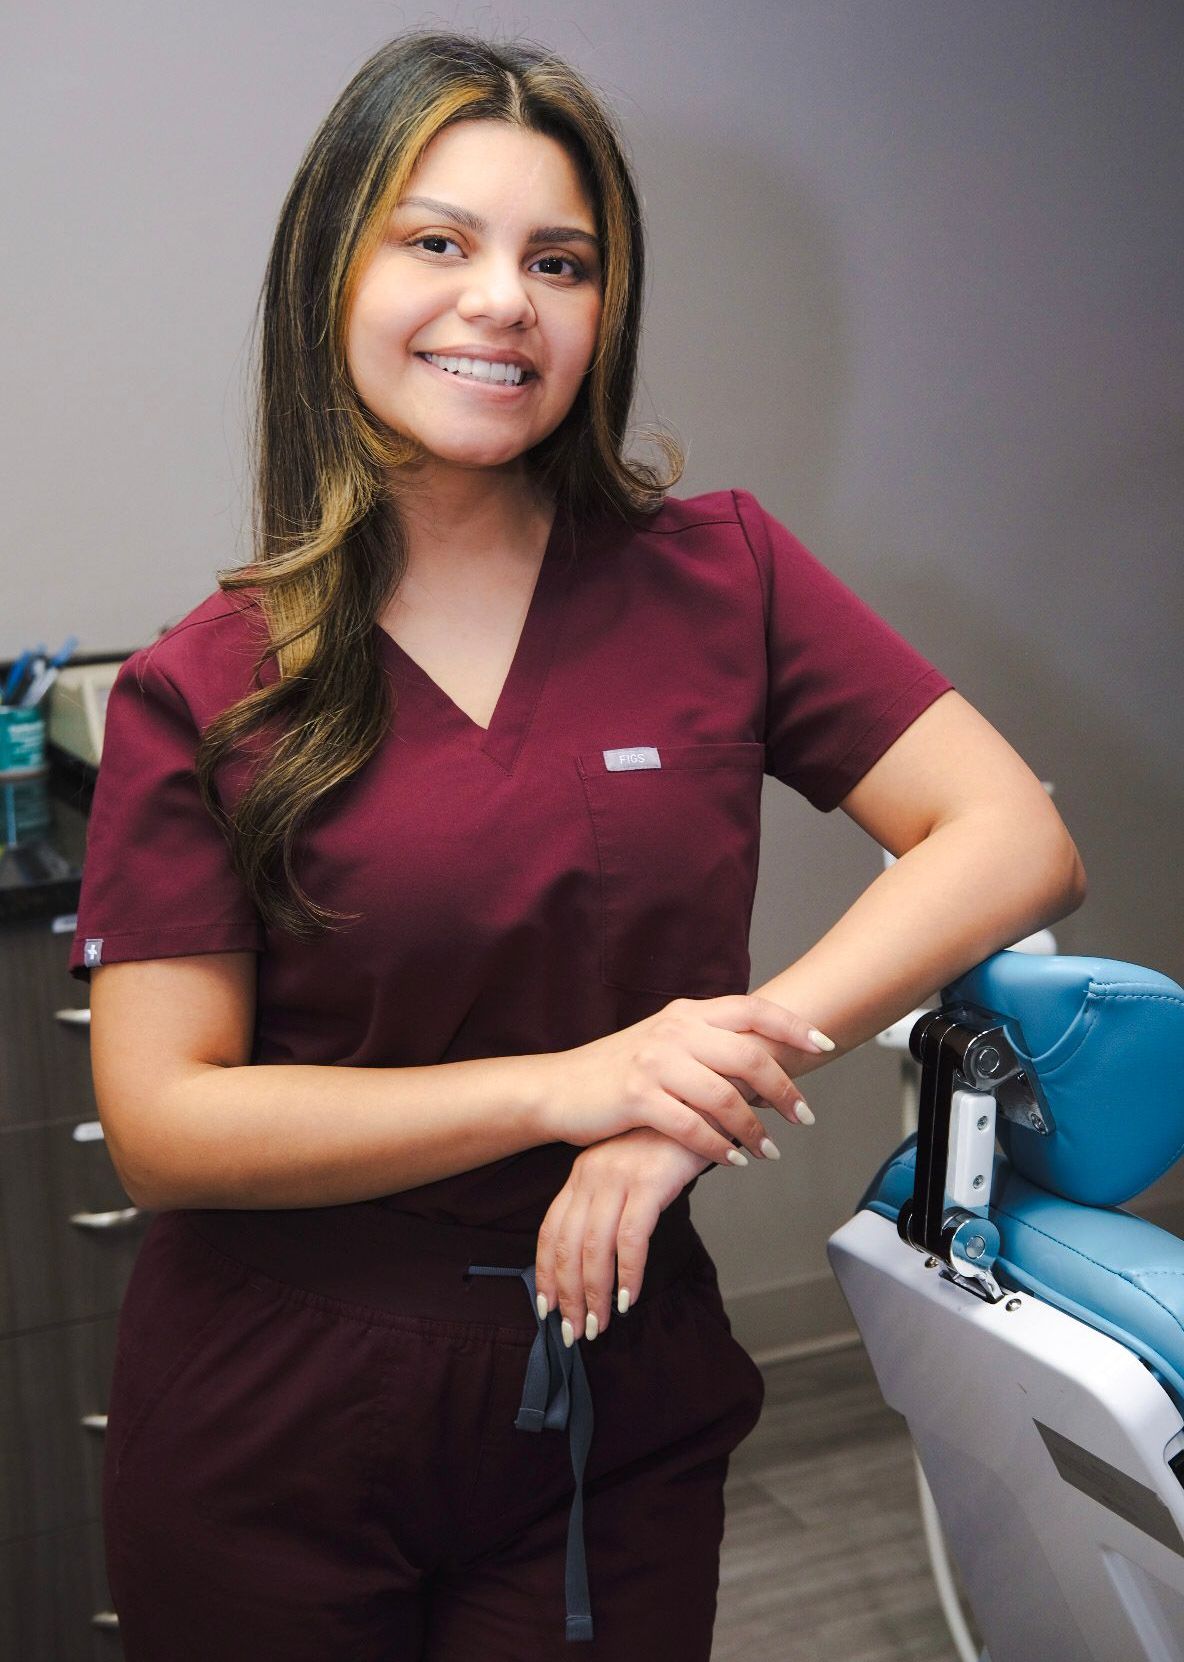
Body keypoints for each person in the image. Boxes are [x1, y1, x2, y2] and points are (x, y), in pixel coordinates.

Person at [69, 27, 1086, 1662]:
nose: (503, 302)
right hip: (279, 1426)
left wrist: (679, 1107)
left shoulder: (721, 575)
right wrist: (574, 1082)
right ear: (332, 271)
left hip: (614, 1382)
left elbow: (1010, 832)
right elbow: (165, 1120)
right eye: (438, 241)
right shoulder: (210, 681)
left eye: (561, 260)